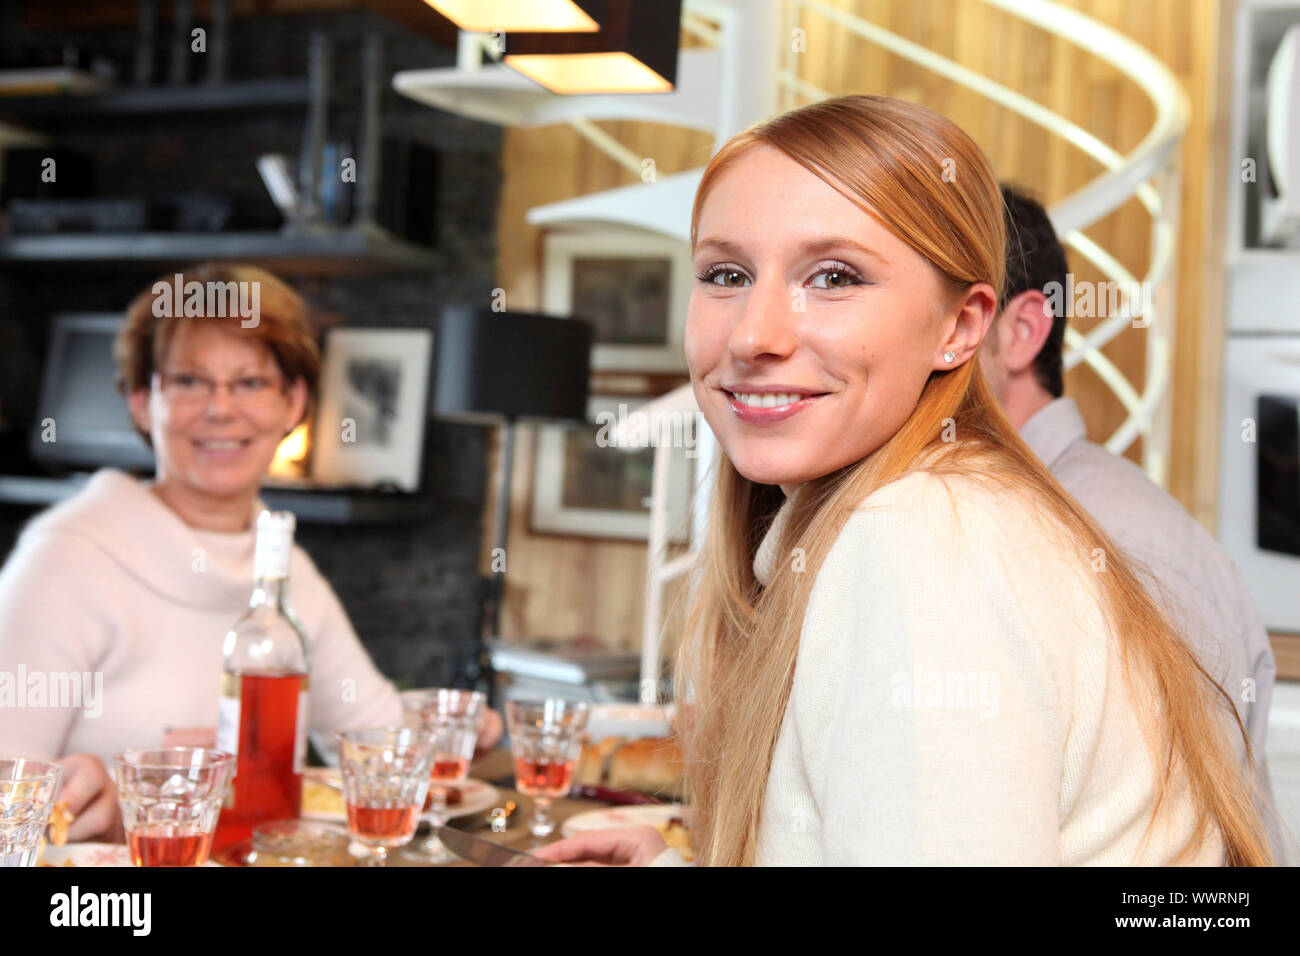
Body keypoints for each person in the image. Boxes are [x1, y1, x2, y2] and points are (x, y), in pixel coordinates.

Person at [535, 94, 1274, 867]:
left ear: (961, 328)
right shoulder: (922, 517)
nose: (754, 335)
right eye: (726, 273)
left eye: (834, 278)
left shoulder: (920, 538)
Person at [0, 263, 501, 842]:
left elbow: (375, 742)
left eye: (251, 383)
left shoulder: (288, 577)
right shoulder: (66, 559)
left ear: (293, 404)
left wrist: (447, 738)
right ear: (142, 402)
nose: (220, 409)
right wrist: (88, 799)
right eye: (189, 381)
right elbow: (7, 789)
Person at [976, 185, 1290, 863]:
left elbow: (1183, 867)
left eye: (948, 313)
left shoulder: (1119, 548)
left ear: (1022, 330)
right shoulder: (992, 517)